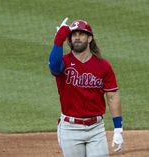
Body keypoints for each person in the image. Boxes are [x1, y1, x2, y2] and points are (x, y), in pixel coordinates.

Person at [48, 18, 124, 157]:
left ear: (89, 38)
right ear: (69, 39)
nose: (77, 37)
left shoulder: (103, 65)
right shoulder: (64, 62)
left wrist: (118, 128)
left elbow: (112, 96)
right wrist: (58, 40)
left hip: (96, 128)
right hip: (70, 128)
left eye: (81, 34)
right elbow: (53, 67)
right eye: (73, 34)